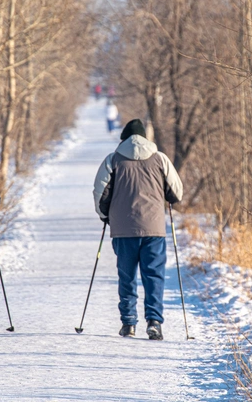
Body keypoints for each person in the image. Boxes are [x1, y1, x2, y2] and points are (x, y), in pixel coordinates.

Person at [92, 119, 183, 340]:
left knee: (127, 276)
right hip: (153, 229)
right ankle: (154, 322)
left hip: (123, 230)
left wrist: (105, 216)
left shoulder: (112, 160)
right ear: (145, 137)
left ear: (124, 137)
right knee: (154, 276)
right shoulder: (160, 158)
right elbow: (176, 193)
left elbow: (100, 194)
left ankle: (128, 323)